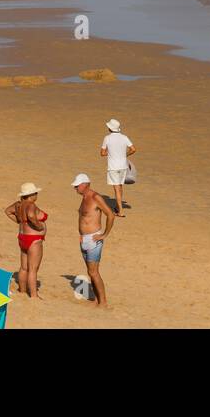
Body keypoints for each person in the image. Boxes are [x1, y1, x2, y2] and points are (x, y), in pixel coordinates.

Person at [73, 172, 114, 307]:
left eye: (77, 186)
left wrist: (104, 234)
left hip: (94, 239)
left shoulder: (96, 197)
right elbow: (84, 218)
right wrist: (81, 234)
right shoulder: (84, 197)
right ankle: (97, 299)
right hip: (84, 239)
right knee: (90, 272)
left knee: (94, 272)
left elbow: (110, 215)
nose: (75, 188)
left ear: (85, 185)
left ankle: (103, 302)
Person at [5, 182, 47, 298]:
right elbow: (32, 216)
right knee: (33, 269)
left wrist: (19, 221)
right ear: (31, 195)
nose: (37, 195)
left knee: (24, 267)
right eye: (36, 193)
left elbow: (7, 211)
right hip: (33, 239)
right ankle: (34, 295)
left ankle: (22, 290)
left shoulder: (18, 205)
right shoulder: (31, 205)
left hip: (22, 237)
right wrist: (39, 226)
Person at [100, 119, 136, 218]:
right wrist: (125, 155)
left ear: (110, 128)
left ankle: (120, 211)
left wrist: (111, 153)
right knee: (120, 187)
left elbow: (102, 153)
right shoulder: (124, 137)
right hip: (123, 166)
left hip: (113, 167)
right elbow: (133, 149)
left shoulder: (107, 138)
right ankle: (118, 205)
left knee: (116, 188)